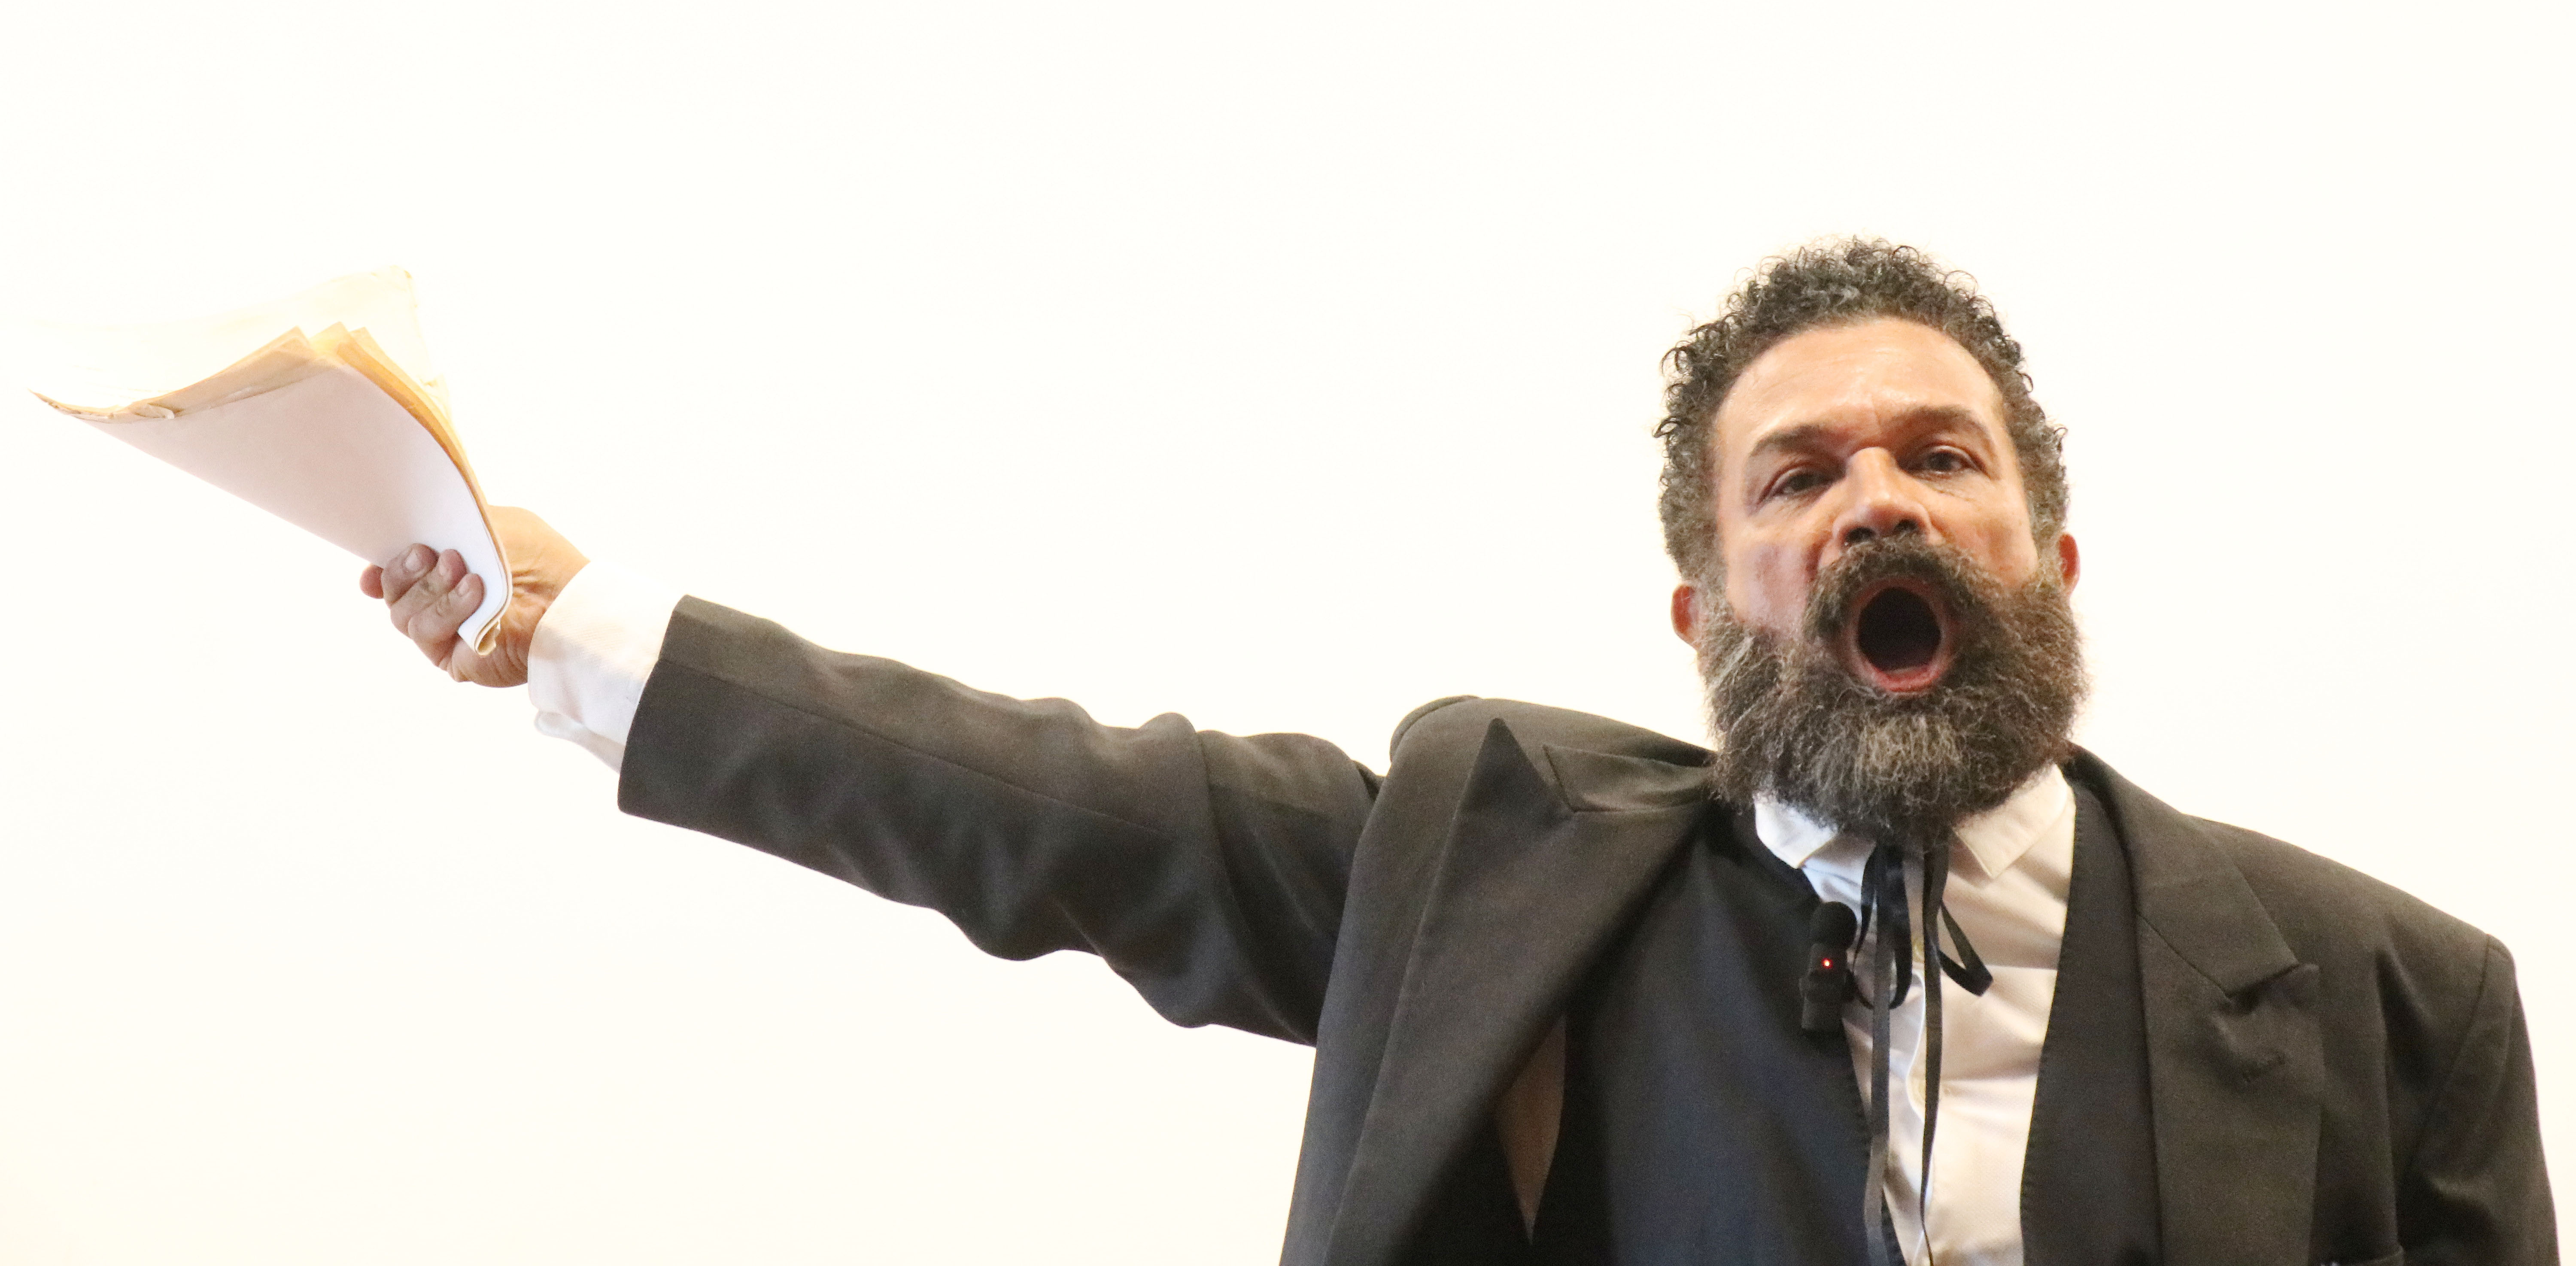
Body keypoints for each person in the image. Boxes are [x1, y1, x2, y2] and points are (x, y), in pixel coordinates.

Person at [362, 239, 2554, 1266]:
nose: (1874, 502)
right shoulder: (1491, 878)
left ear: (2047, 562)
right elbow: (1043, 808)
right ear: (1705, 617)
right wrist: (589, 630)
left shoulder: (2399, 1000)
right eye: (1799, 477)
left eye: (1937, 456)